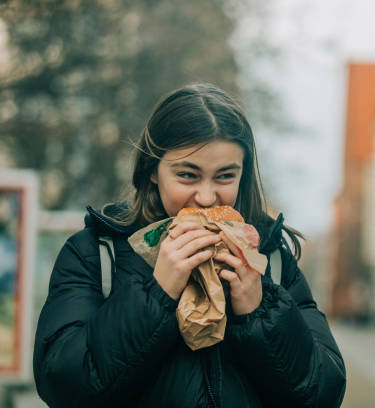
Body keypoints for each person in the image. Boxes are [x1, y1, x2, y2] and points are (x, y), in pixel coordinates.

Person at [33, 83, 346, 407]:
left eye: (225, 176)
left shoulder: (273, 260)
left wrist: (259, 311)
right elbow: (62, 387)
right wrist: (156, 292)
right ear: (153, 170)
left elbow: (323, 393)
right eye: (187, 175)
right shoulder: (96, 254)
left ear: (244, 174)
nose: (207, 197)